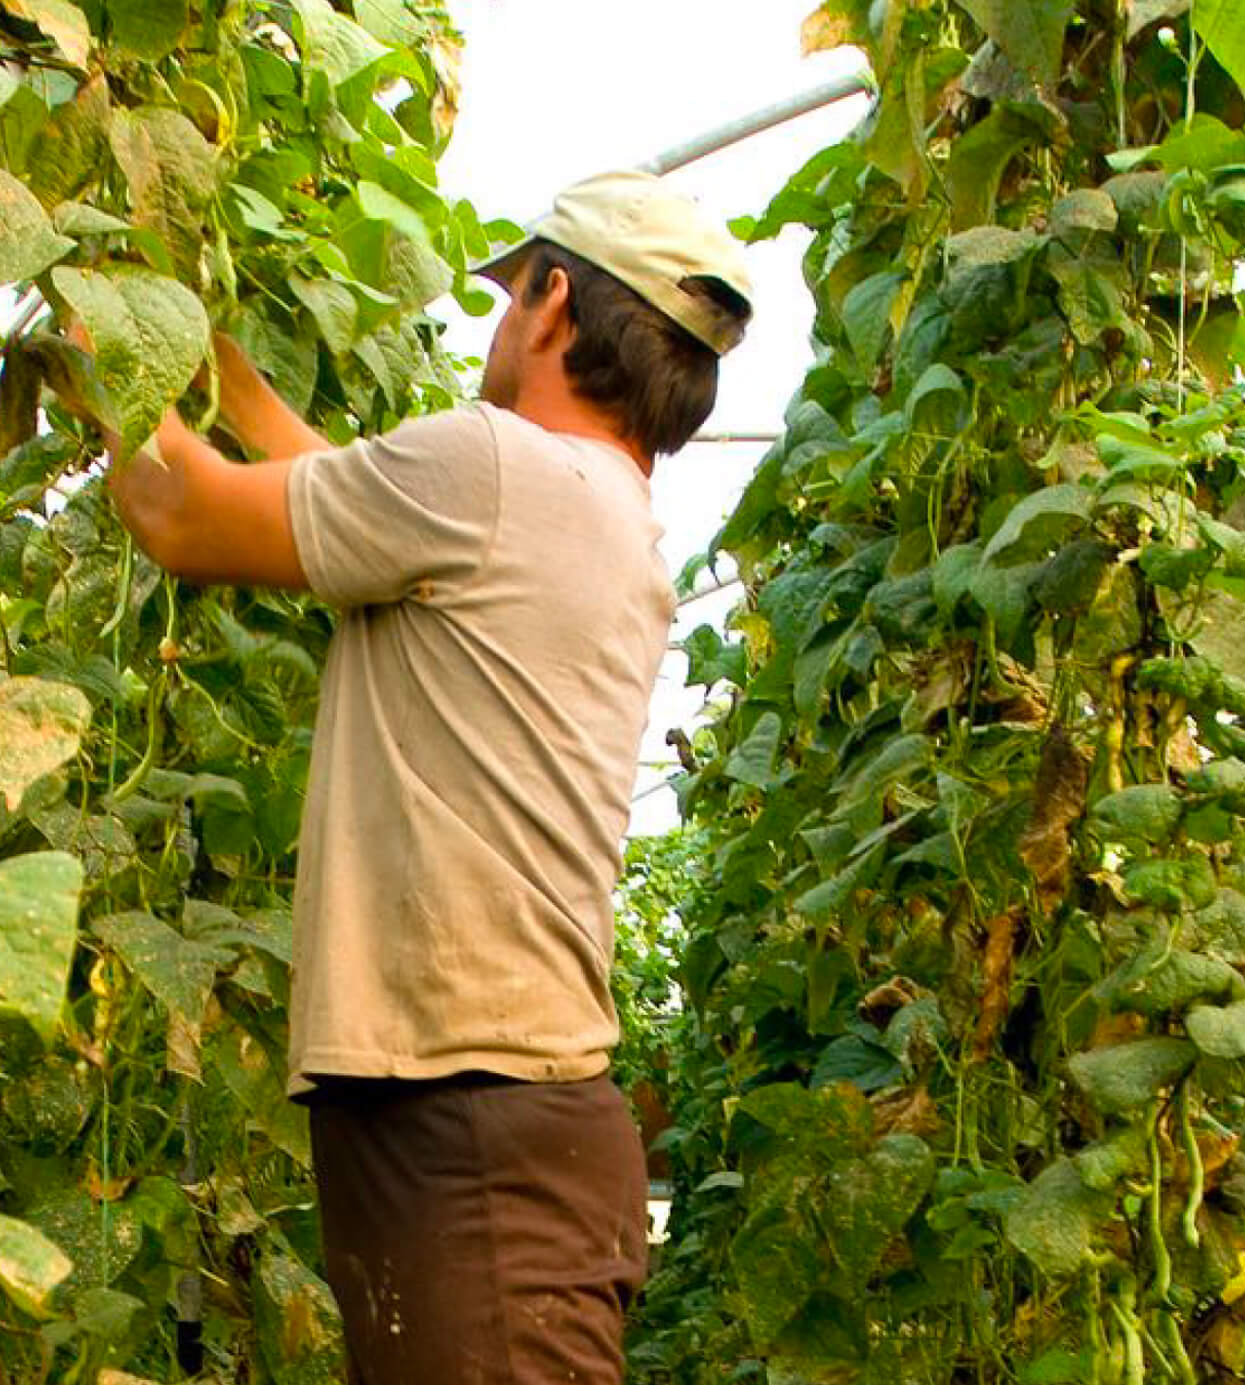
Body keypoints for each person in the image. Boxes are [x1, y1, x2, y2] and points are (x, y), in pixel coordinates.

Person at [89, 170, 752, 1385]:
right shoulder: (572, 503)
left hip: (471, 1125)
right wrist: (214, 358)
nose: (500, 327)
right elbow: (333, 487)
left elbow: (182, 517)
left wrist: (91, 318)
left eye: (511, 298)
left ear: (551, 302)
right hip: (477, 1117)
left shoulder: (493, 470)